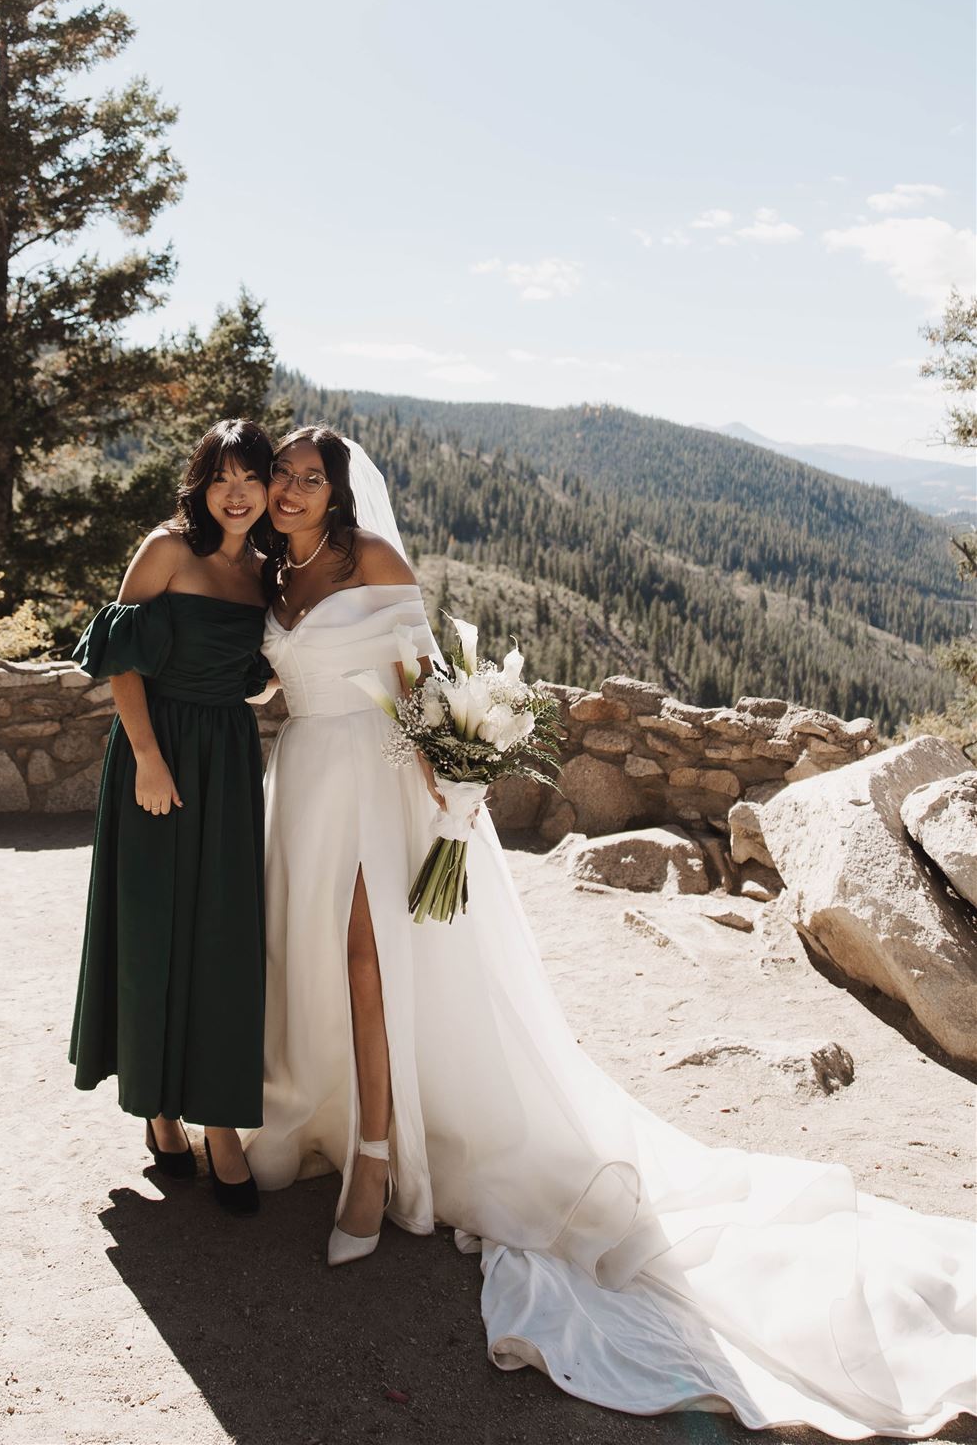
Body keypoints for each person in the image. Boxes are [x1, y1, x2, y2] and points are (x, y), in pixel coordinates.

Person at [247, 426, 977, 1436]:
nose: (290, 489)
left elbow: (420, 687)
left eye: (309, 476)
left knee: (368, 960)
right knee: (307, 960)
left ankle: (379, 1153)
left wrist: (450, 797)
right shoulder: (269, 568)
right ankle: (325, 1112)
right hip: (302, 790)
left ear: (339, 488)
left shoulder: (373, 556)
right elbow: (279, 679)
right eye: (280, 475)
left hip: (379, 788)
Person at [70, 418, 272, 1213]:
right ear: (201, 481)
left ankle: (221, 1124)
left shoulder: (267, 571)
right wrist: (149, 758)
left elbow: (259, 670)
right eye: (223, 477)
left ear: (267, 490)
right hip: (155, 755)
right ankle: (159, 1113)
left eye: (251, 479)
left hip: (227, 760)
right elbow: (120, 659)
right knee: (153, 928)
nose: (237, 493)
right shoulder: (165, 549)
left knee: (222, 937)